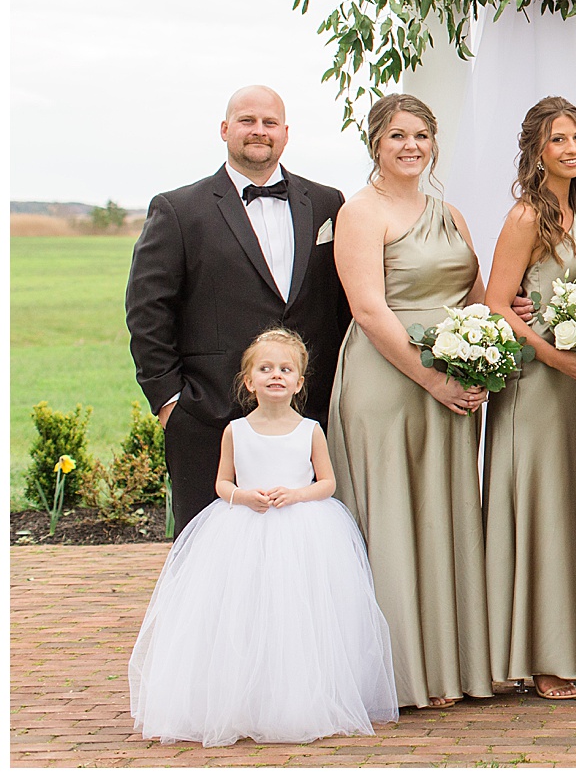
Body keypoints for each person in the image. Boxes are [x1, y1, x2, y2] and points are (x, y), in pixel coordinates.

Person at [129, 328, 396, 746]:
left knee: (298, 615)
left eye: (286, 369)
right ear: (248, 380)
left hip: (303, 530)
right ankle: (241, 701)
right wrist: (242, 495)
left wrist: (296, 494)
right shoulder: (236, 430)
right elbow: (220, 483)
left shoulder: (310, 430)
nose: (276, 375)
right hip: (242, 530)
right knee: (245, 612)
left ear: (299, 382)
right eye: (265, 368)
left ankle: (298, 699)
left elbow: (326, 483)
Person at [327, 93, 494, 710]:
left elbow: (475, 292)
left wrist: (495, 342)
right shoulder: (361, 213)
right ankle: (401, 673)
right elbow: (369, 308)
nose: (410, 146)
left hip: (450, 377)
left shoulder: (449, 213)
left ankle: (449, 667)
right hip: (390, 379)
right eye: (397, 135)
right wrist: (432, 379)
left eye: (421, 135)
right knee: (395, 518)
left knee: (442, 514)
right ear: (376, 142)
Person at [127, 85, 351, 536]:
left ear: (285, 134)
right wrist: (171, 403)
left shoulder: (329, 203)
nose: (259, 131)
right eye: (247, 121)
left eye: (270, 123)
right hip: (209, 415)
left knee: (303, 551)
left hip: (307, 418)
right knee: (209, 555)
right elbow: (148, 310)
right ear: (225, 129)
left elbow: (342, 301)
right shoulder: (178, 209)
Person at [482, 98, 576, 700]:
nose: (572, 149)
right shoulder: (527, 215)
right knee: (538, 509)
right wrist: (556, 356)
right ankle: (537, 656)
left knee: (567, 509)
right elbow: (497, 303)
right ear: (536, 149)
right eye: (558, 139)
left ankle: (568, 645)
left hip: (575, 386)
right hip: (536, 383)